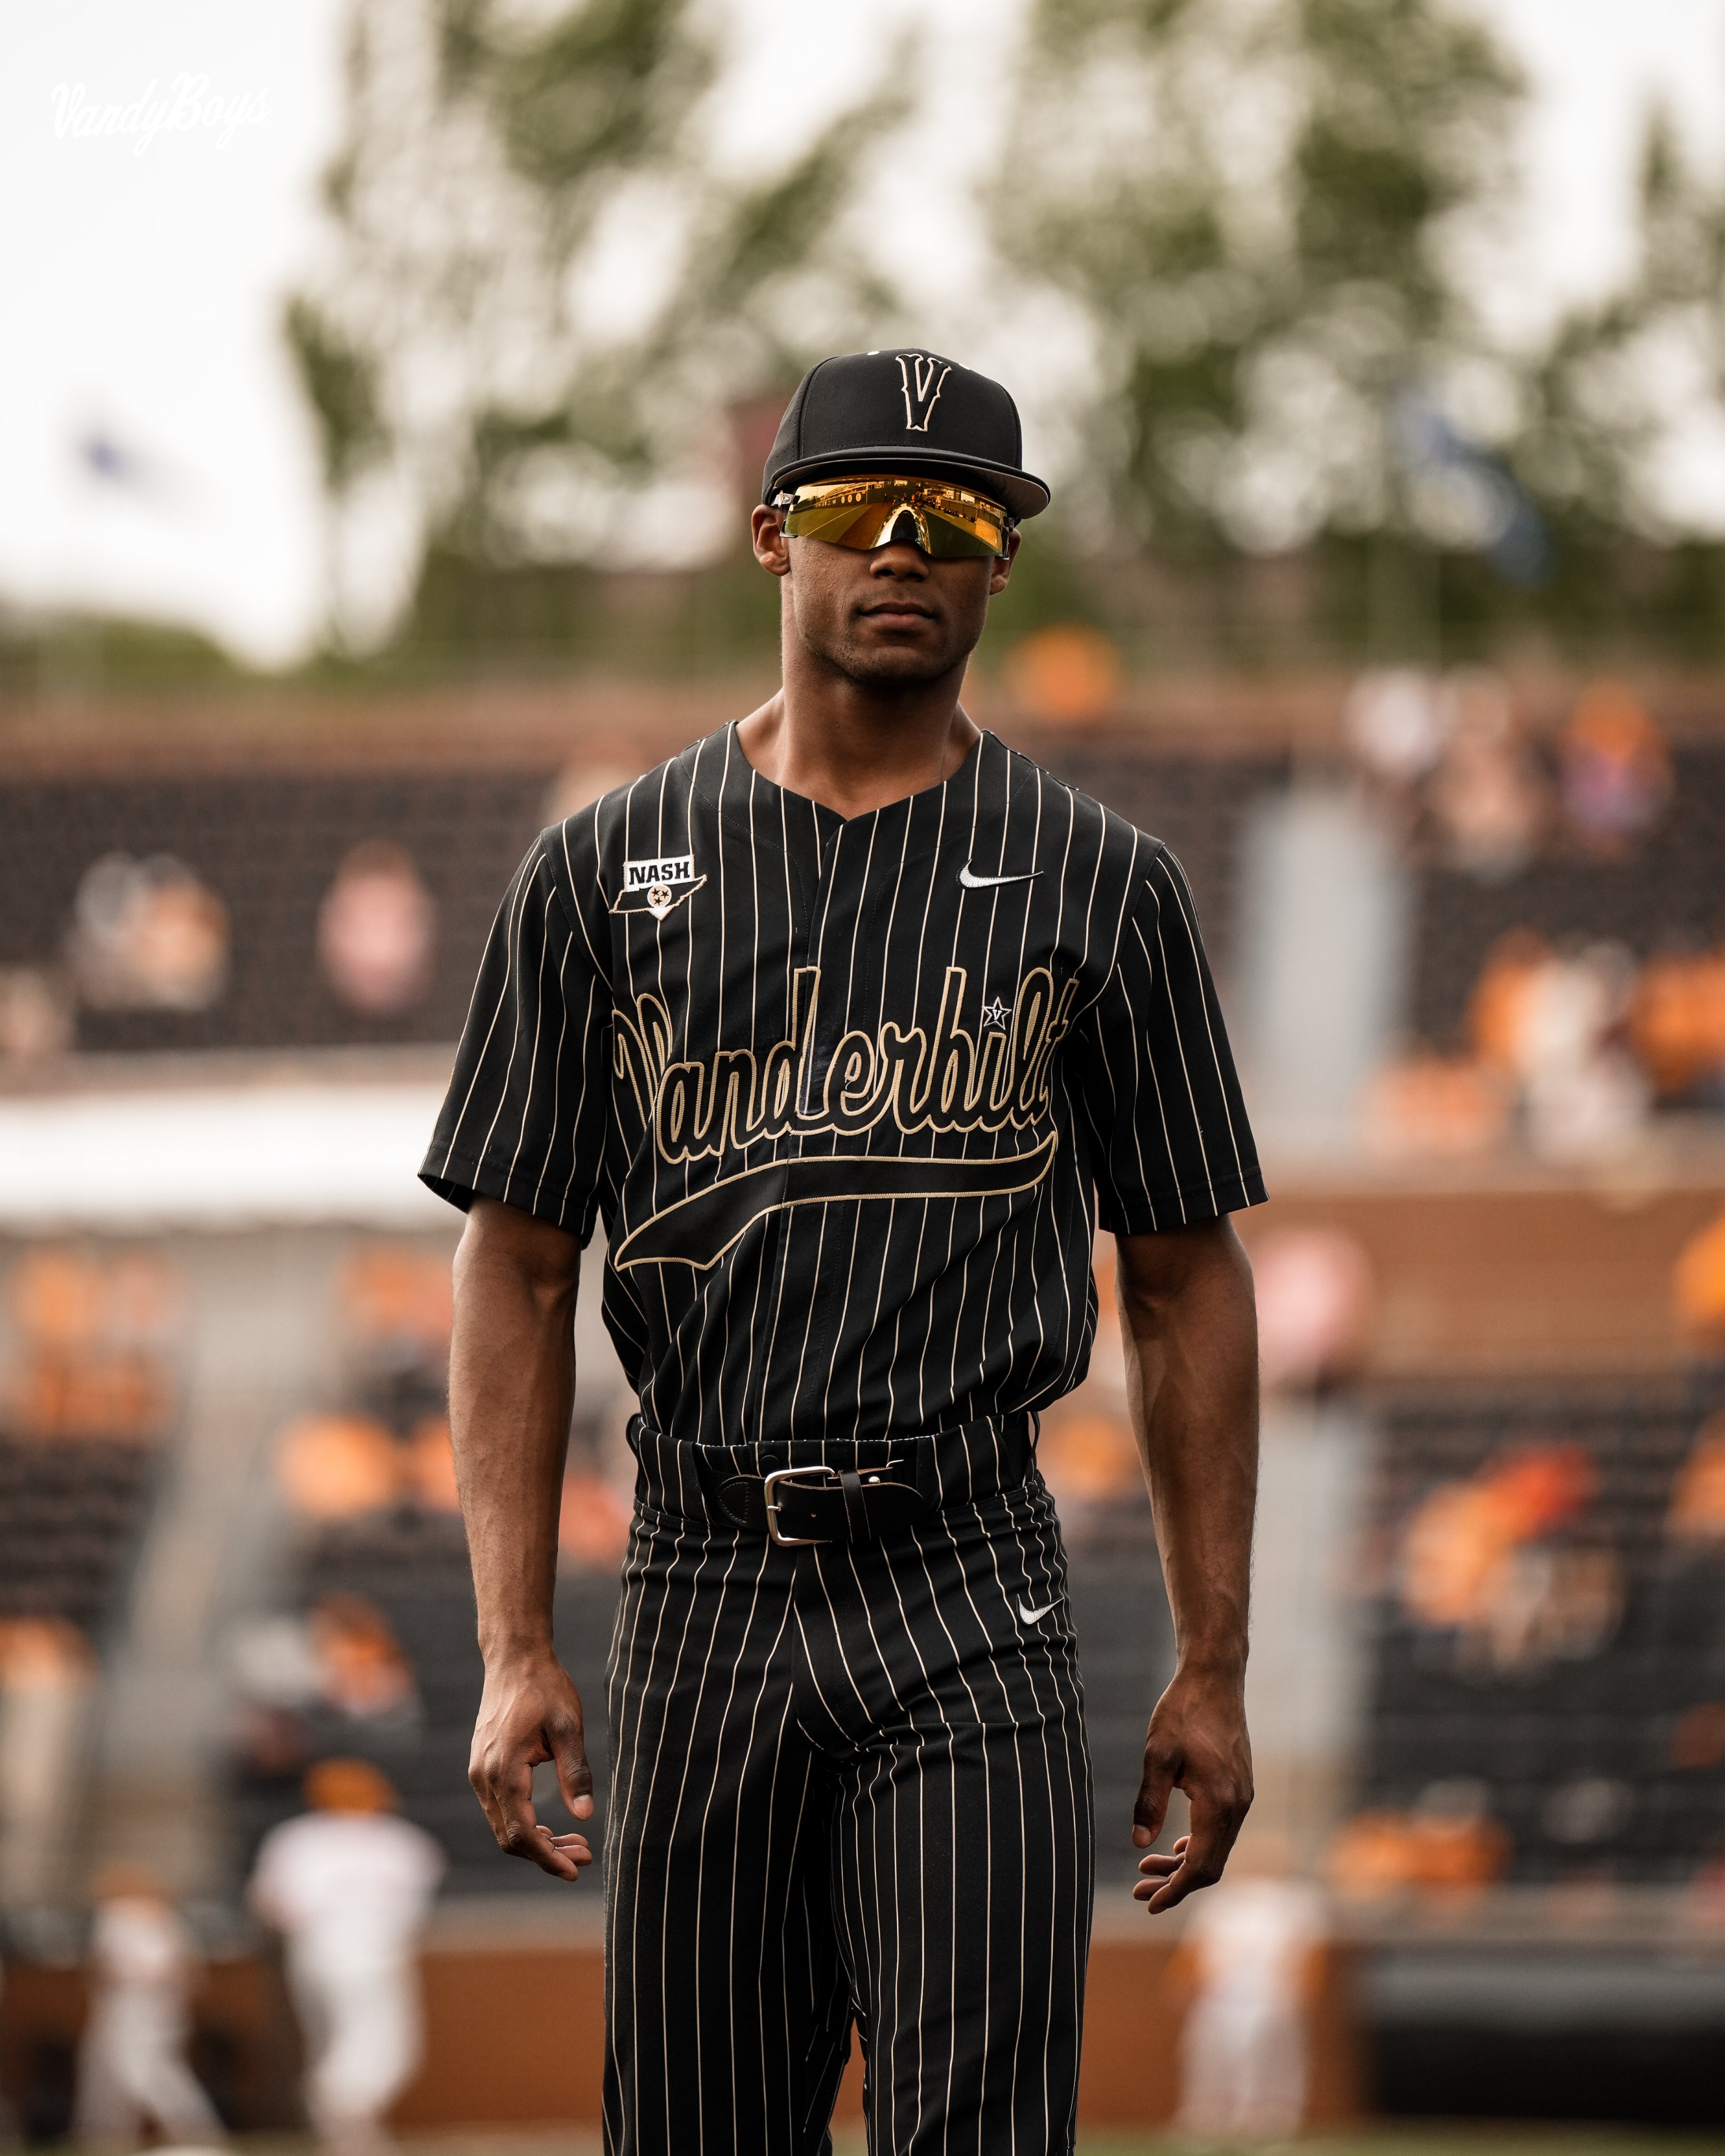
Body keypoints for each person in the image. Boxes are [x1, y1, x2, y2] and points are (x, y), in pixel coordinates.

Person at [422, 348, 1264, 2155]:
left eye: (952, 514)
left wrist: (1214, 1655)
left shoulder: (1101, 879)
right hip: (703, 1571)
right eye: (851, 509)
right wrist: (511, 1639)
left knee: (979, 2130)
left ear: (999, 564)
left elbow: (1184, 1278)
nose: (901, 543)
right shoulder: (595, 872)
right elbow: (514, 1259)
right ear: (767, 540)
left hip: (969, 1572)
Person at [248, 1759, 444, 2152]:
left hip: (315, 1954)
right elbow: (415, 1912)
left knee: (332, 2042)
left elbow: (269, 1906)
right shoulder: (403, 1842)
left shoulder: (294, 1840)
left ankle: (346, 2133)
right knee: (387, 2049)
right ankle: (338, 2101)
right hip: (375, 1954)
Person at [1172, 1834, 1327, 2141]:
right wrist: (1186, 1985)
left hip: (1271, 1996)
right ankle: (1207, 2114)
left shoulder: (1298, 1904)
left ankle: (1270, 2114)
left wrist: (1300, 1992)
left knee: (1269, 2058)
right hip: (1220, 1997)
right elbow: (1197, 1952)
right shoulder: (1221, 1903)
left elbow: (1310, 1954)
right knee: (1206, 2055)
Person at [74, 1860, 224, 2149]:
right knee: (105, 2076)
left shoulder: (121, 1918)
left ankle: (194, 2132)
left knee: (143, 2074)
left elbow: (108, 1968)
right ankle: (105, 2138)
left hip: (136, 2011)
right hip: (148, 2010)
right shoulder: (168, 1922)